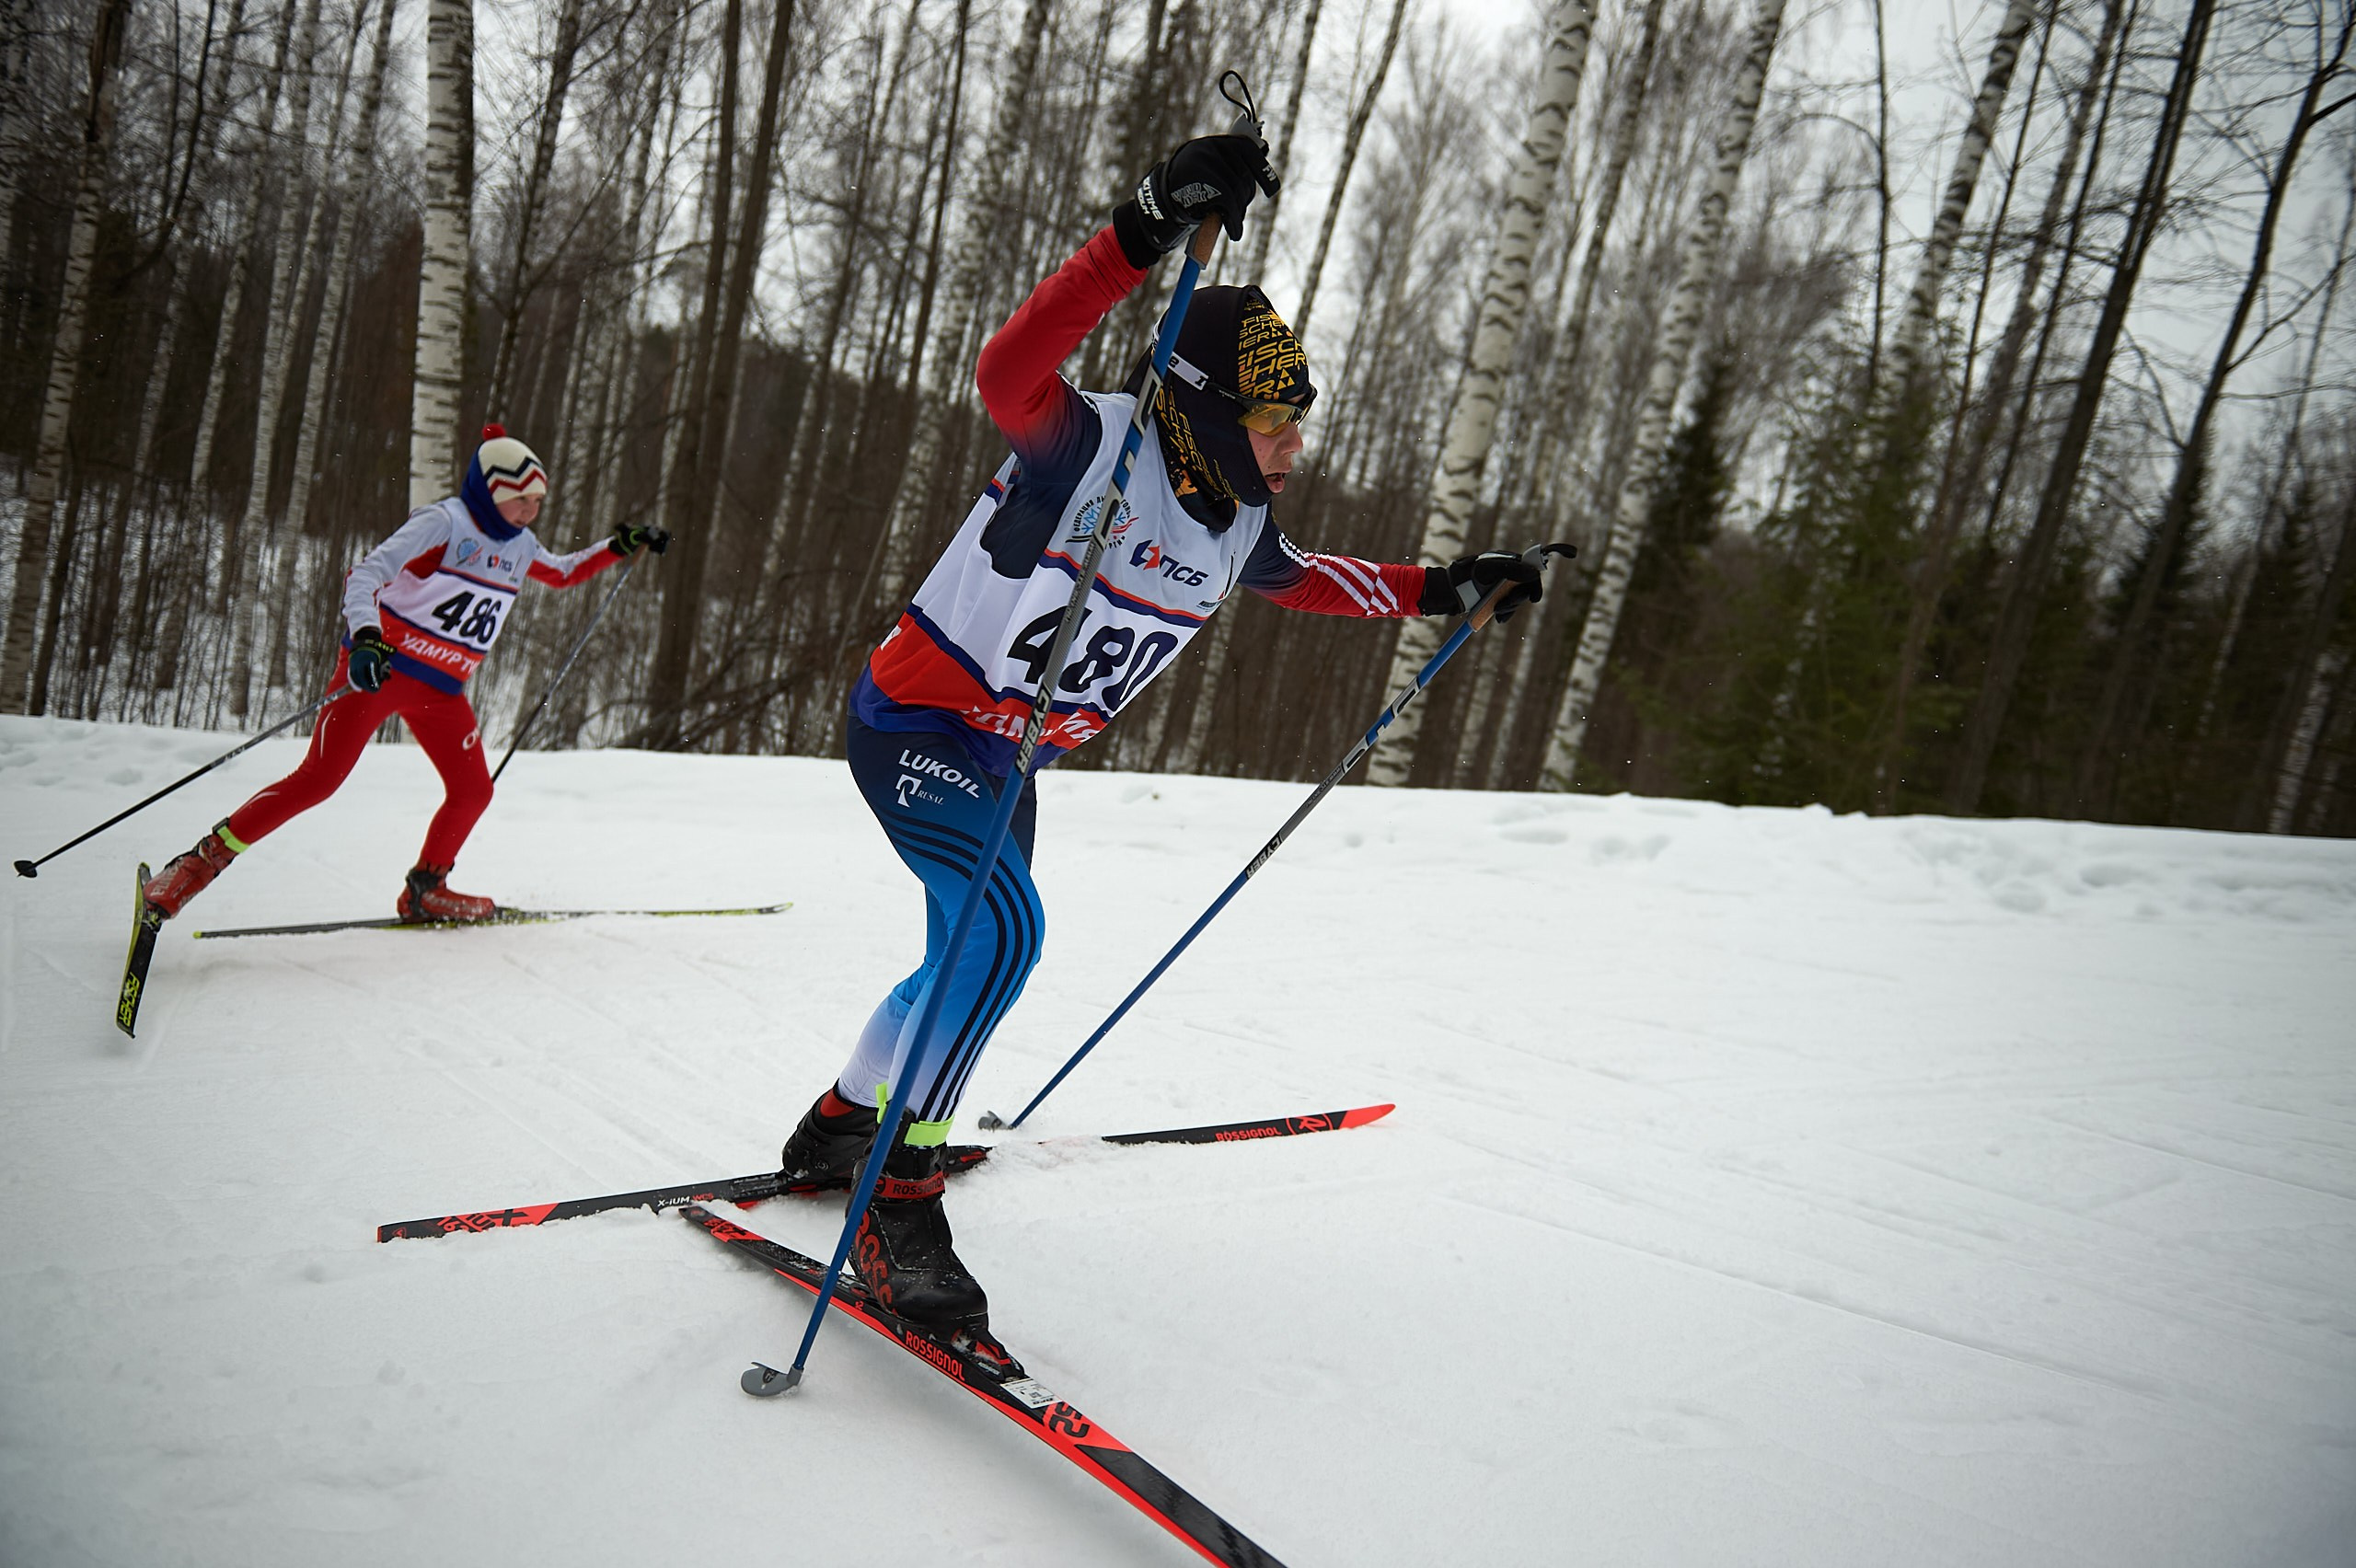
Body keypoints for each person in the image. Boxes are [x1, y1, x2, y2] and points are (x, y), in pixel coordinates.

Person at [777, 133, 1546, 1344]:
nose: (1295, 448)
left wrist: (1449, 588)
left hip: (1008, 760)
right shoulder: (1083, 443)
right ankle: (895, 1195)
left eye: (1301, 424)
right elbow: (1005, 366)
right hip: (919, 720)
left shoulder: (1239, 523)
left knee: (956, 962)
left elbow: (1310, 580)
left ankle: (837, 1122)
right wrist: (1141, 226)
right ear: (1205, 409)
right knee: (1001, 933)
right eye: (1276, 421)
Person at [140, 426, 670, 924]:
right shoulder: (445, 523)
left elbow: (562, 572)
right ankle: (195, 864)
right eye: (520, 500)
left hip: (442, 691)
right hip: (380, 672)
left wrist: (619, 546)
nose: (530, 512)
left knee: (473, 791)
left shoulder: (522, 544)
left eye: (537, 503)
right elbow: (366, 573)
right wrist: (367, 636)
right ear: (489, 490)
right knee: (317, 782)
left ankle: (426, 890)